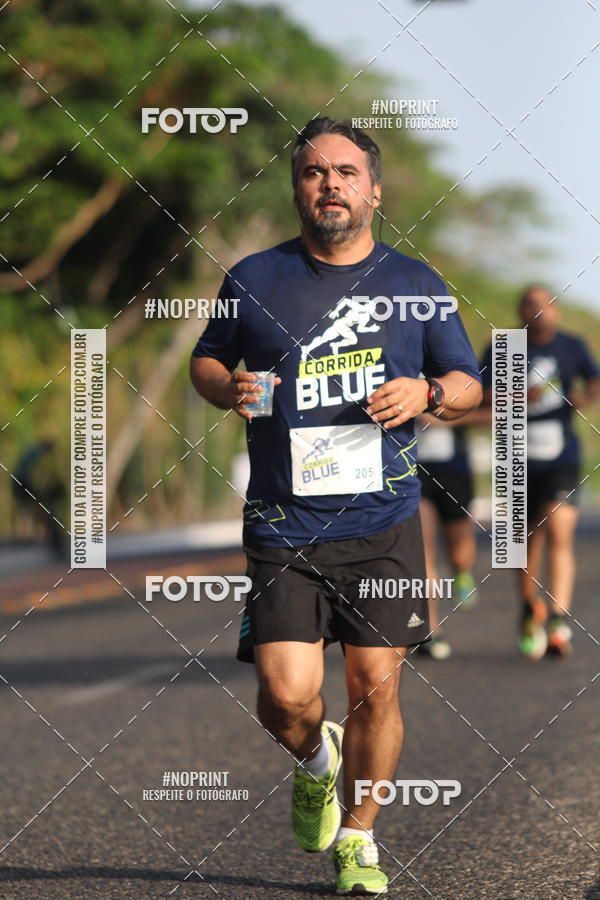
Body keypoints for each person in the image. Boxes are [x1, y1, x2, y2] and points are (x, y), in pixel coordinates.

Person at [190, 117, 482, 894]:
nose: (331, 185)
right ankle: (316, 761)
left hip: (381, 523)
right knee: (286, 697)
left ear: (374, 191)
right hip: (282, 524)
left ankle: (359, 838)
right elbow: (208, 360)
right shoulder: (254, 277)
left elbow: (468, 381)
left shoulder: (417, 285)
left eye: (346, 173)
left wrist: (427, 391)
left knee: (374, 687)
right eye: (316, 173)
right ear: (298, 190)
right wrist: (230, 387)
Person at [481, 285, 600, 660]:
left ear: (556, 310)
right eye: (531, 305)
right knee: (523, 539)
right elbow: (475, 394)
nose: (539, 311)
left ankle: (559, 618)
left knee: (559, 529)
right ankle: (530, 607)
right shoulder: (504, 345)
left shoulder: (572, 345)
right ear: (520, 311)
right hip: (516, 454)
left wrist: (586, 395)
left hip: (561, 454)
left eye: (545, 304)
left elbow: (594, 379)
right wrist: (513, 395)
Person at [415, 415, 478, 660]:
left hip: (454, 471)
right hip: (415, 472)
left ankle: (463, 572)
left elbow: (486, 411)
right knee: (424, 550)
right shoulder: (396, 377)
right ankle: (431, 629)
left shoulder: (452, 376)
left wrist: (442, 419)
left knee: (460, 552)